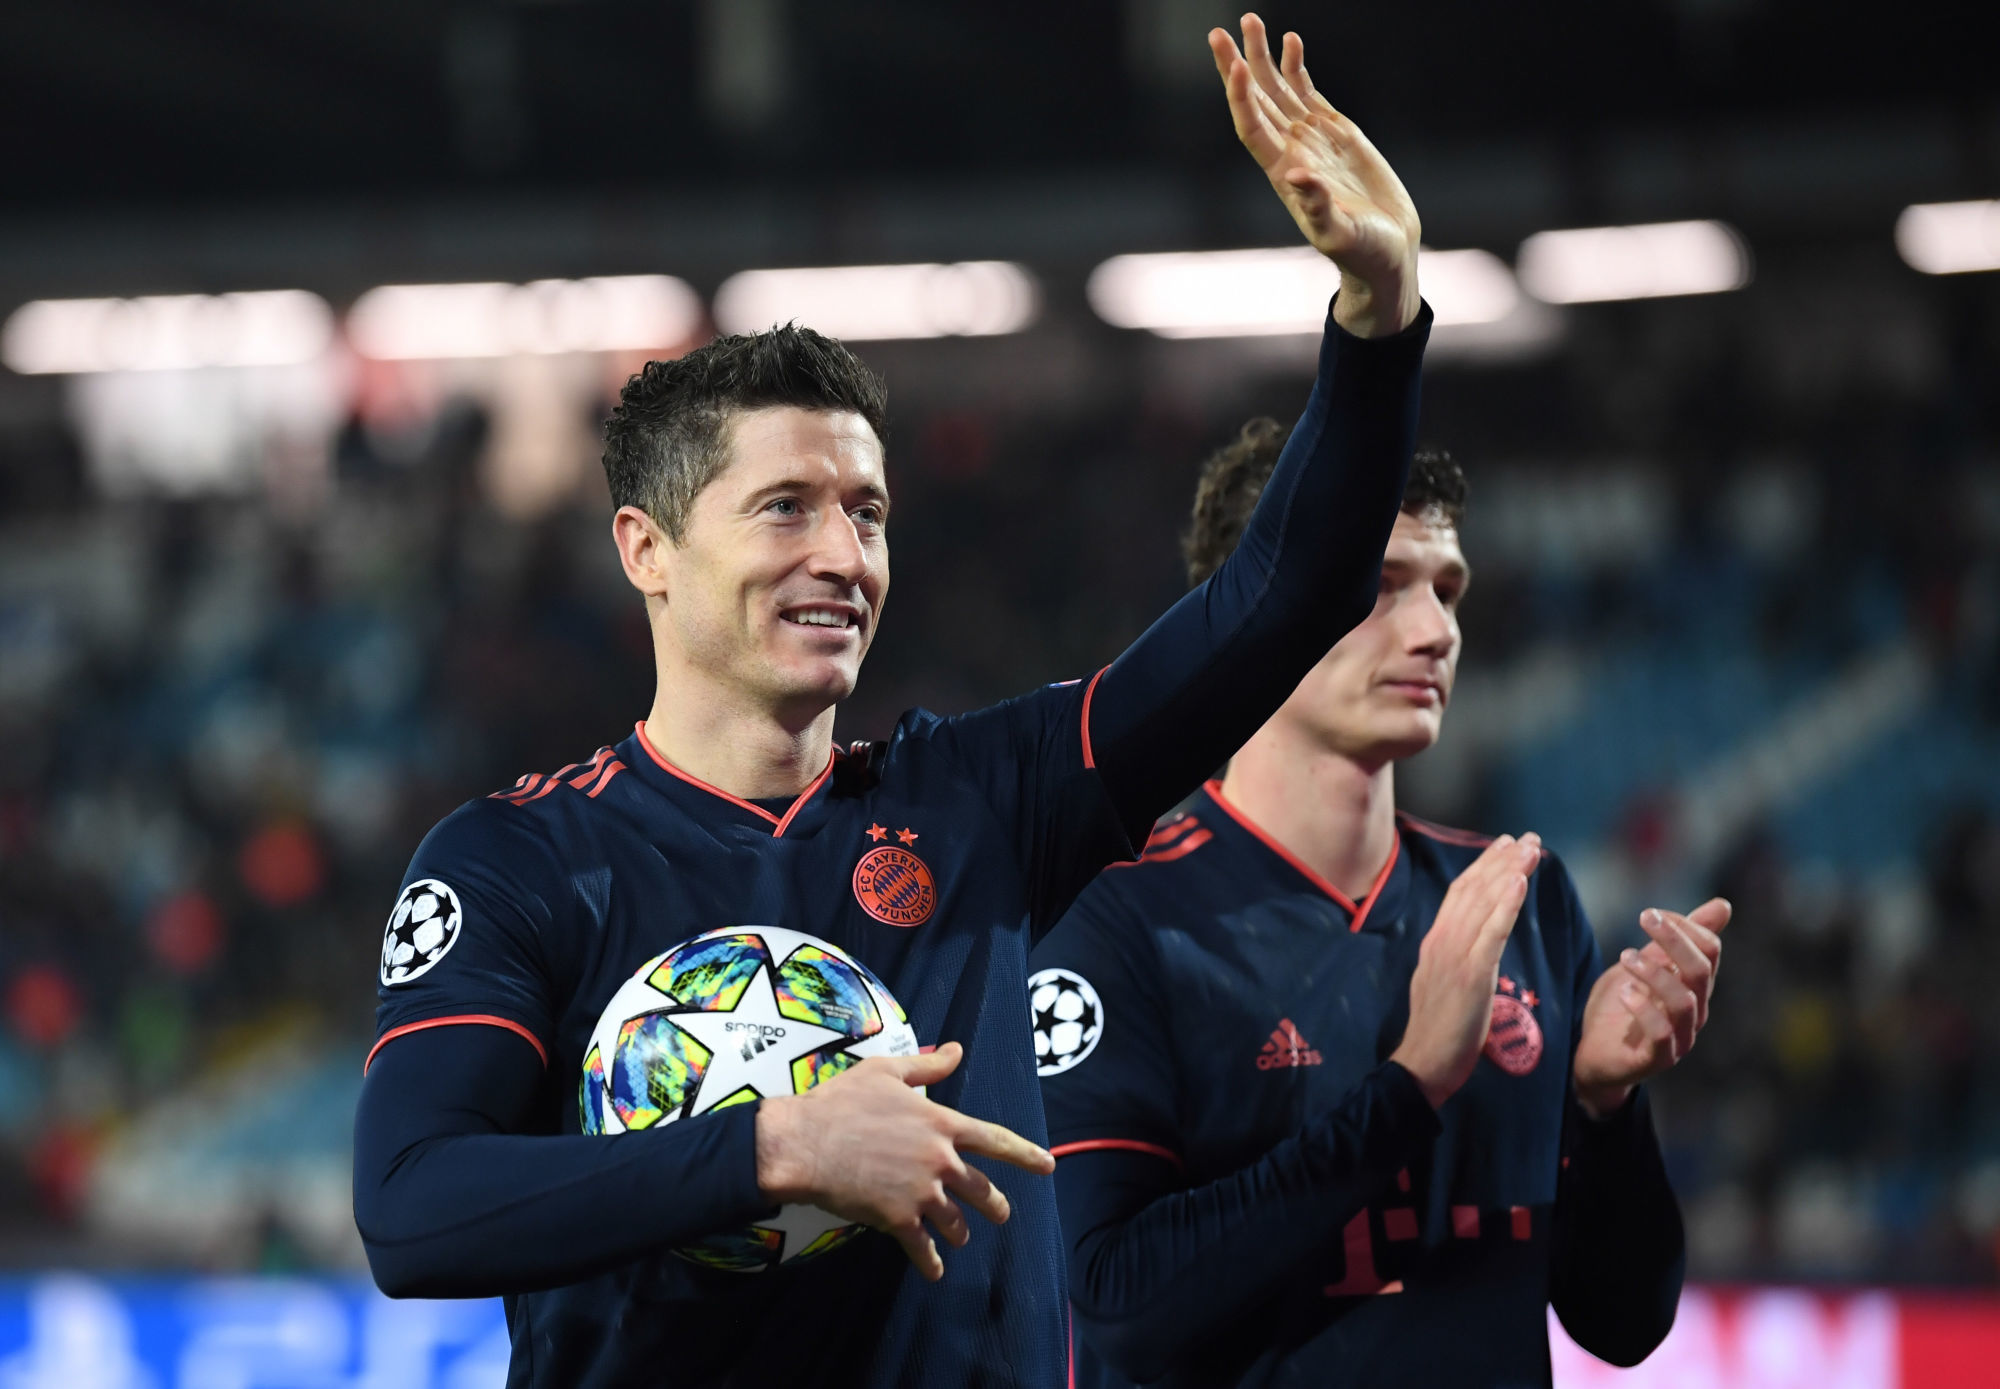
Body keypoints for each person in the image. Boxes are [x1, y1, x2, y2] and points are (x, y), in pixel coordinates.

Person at [351, 17, 1439, 1387]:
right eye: (784, 507)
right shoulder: (518, 863)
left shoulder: (984, 804)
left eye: (866, 513)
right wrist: (773, 1149)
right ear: (647, 551)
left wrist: (1380, 314)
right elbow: (413, 1206)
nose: (841, 555)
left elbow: (1277, 601)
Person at [1031, 434, 1727, 1387]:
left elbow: (1623, 1321)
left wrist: (1606, 1109)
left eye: (1447, 589)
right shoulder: (1116, 914)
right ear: (1256, 607)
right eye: (1383, 583)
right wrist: (1409, 1090)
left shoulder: (1520, 902)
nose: (1434, 628)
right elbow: (1118, 1308)